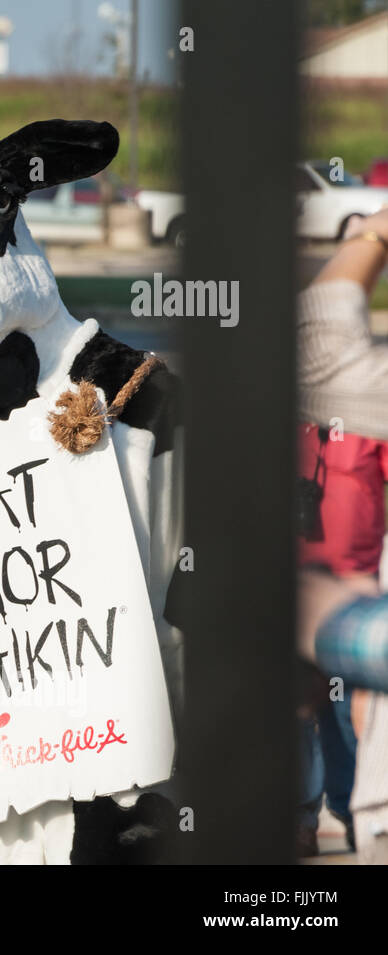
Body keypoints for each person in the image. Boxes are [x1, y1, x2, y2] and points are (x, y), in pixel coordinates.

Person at [296, 206, 388, 863]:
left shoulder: (363, 405)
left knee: (350, 707)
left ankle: (358, 809)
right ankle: (310, 813)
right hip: (297, 583)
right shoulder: (297, 397)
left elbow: (322, 324)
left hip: (352, 585)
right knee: (303, 708)